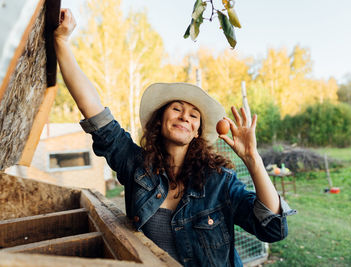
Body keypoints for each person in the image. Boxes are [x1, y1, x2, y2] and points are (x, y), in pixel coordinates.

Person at [54, 8, 296, 267]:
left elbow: (272, 229)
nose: (185, 117)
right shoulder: (137, 167)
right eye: (177, 109)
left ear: (196, 133)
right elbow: (95, 113)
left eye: (194, 116)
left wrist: (252, 159)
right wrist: (62, 41)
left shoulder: (219, 183)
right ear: (161, 120)